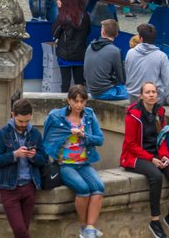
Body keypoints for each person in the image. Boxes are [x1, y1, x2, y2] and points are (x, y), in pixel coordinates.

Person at [121, 82, 169, 238]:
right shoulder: (134, 114)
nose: (151, 95)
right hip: (134, 156)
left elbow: (161, 138)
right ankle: (155, 220)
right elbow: (130, 144)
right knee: (155, 176)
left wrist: (164, 156)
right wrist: (151, 159)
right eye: (147, 92)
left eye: (154, 92)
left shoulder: (159, 111)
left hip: (155, 154)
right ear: (141, 95)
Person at [42, 86, 105, 238]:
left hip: (84, 163)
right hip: (64, 164)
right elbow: (47, 139)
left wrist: (84, 135)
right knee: (83, 189)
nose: (78, 105)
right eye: (75, 101)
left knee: (99, 188)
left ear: (86, 102)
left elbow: (100, 139)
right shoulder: (56, 117)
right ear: (69, 100)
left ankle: (89, 228)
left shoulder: (89, 115)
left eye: (82, 101)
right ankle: (83, 227)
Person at [0, 98, 48, 238]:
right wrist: (14, 154)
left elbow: (44, 160)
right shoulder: (2, 133)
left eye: (27, 121)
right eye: (20, 121)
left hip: (29, 187)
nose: (24, 125)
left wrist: (33, 156)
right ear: (13, 115)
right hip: (9, 188)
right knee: (20, 231)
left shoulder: (35, 133)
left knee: (23, 230)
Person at [125, 23, 169, 106]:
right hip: (153, 99)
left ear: (140, 38)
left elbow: (128, 76)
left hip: (133, 98)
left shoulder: (130, 53)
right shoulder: (161, 56)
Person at [53, 0, 91, 92]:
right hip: (80, 53)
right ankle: (80, 102)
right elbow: (88, 32)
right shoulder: (85, 16)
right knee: (79, 82)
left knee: (65, 82)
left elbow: (54, 33)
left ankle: (65, 103)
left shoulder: (62, 16)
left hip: (65, 54)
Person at [84, 19, 127, 101]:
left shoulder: (90, 46)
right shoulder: (115, 51)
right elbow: (121, 79)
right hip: (106, 92)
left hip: (91, 90)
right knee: (135, 93)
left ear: (102, 32)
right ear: (117, 34)